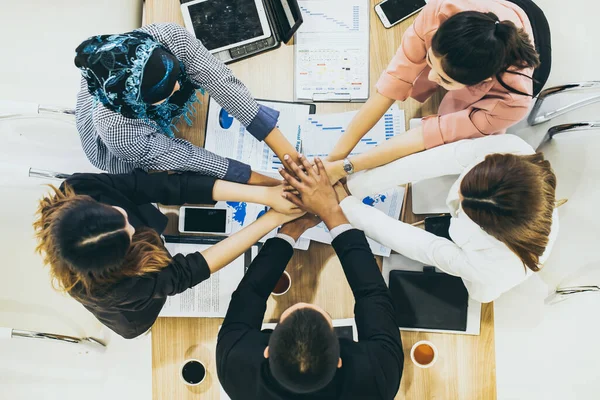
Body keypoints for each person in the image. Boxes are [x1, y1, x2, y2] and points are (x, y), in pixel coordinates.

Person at [33, 169, 302, 339]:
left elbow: (162, 186)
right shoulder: (114, 288)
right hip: (134, 318)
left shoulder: (77, 187)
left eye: (120, 215)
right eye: (128, 236)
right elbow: (185, 272)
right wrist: (270, 220)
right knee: (155, 296)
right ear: (119, 264)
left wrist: (265, 196)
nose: (131, 224)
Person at [217, 157, 403, 399]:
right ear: (339, 360)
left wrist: (292, 229)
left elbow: (248, 296)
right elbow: (373, 296)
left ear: (266, 352)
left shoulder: (237, 364)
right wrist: (331, 212)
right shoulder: (376, 377)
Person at [325, 0, 550, 183]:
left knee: (459, 139)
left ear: (482, 82)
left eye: (445, 79)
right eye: (429, 60)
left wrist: (346, 167)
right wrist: (335, 157)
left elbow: (428, 135)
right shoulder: (440, 11)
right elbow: (390, 85)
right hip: (496, 16)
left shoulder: (511, 101)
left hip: (531, 38)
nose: (431, 76)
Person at [334, 135, 560, 303]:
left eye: (465, 208)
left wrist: (349, 207)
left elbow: (427, 247)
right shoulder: (513, 149)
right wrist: (353, 187)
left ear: (486, 228)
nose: (456, 197)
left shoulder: (496, 267)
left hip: (491, 277)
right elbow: (435, 161)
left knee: (481, 294)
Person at [74, 23, 300, 184]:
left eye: (174, 76)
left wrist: (289, 155)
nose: (178, 88)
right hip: (118, 150)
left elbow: (222, 82)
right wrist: (262, 181)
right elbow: (187, 157)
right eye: (163, 92)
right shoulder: (119, 132)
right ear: (137, 105)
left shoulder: (168, 37)